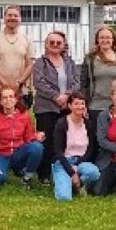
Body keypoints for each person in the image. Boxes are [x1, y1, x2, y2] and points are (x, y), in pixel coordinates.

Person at [32, 30, 79, 185]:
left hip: (66, 107)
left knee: (62, 141)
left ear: (63, 45)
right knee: (47, 141)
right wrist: (56, 97)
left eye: (58, 42)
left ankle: (59, 170)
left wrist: (67, 96)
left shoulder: (69, 62)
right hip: (46, 108)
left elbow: (77, 81)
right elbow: (39, 83)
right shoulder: (40, 62)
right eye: (51, 42)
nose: (55, 45)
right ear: (46, 44)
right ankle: (43, 173)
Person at [0, 85, 45, 189]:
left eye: (11, 97)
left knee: (37, 147)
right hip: (1, 154)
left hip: (18, 153)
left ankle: (27, 178)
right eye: (4, 97)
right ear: (0, 101)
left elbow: (28, 138)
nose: (8, 100)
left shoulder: (25, 116)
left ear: (16, 99)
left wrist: (37, 137)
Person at [51, 92, 101, 202]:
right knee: (64, 198)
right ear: (69, 106)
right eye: (76, 103)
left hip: (80, 161)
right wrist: (72, 172)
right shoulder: (62, 123)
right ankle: (65, 180)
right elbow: (58, 152)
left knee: (94, 173)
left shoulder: (88, 124)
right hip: (63, 162)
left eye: (82, 104)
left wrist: (77, 165)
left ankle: (78, 183)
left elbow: (90, 149)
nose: (80, 107)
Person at [81, 25, 116, 128]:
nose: (105, 40)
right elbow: (84, 83)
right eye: (102, 37)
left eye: (108, 37)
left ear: (113, 40)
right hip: (95, 105)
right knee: (96, 139)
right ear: (97, 40)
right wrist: (84, 104)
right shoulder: (90, 59)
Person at [0, 5, 35, 103]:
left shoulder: (27, 39)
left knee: (20, 118)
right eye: (9, 15)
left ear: (20, 18)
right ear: (4, 18)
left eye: (15, 16)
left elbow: (30, 65)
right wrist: (4, 83)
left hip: (20, 90)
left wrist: (19, 83)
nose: (12, 18)